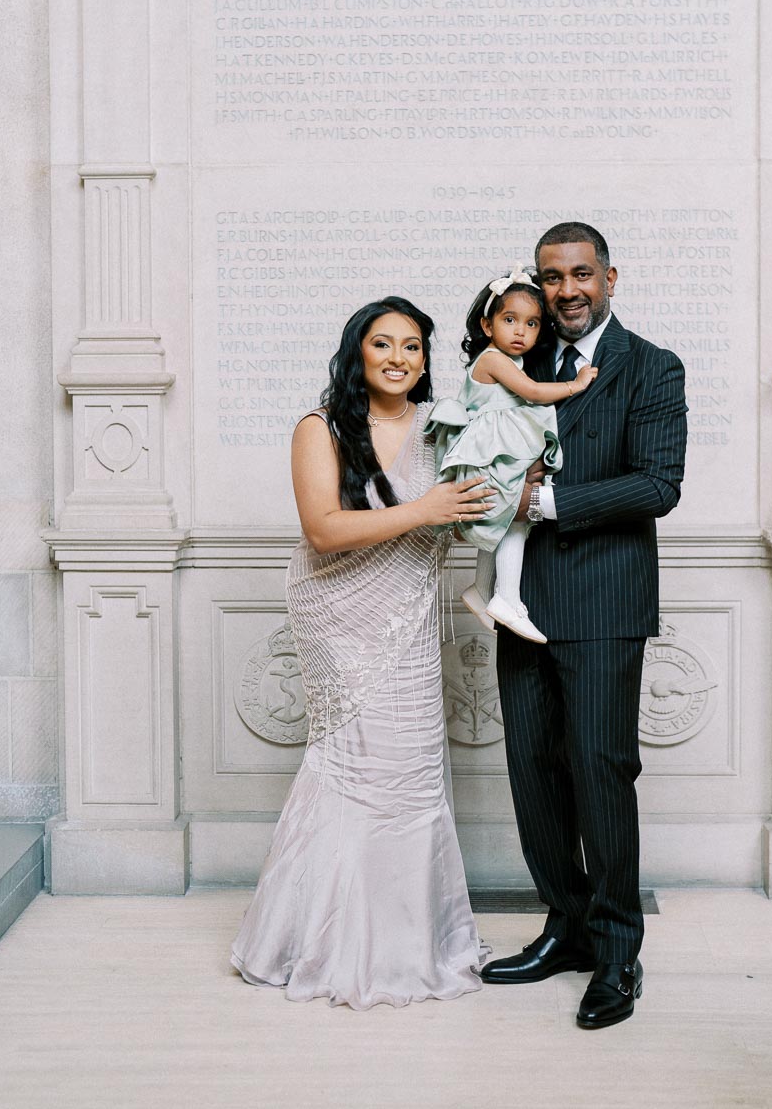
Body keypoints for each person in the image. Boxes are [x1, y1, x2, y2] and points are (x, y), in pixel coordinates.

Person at [231, 297, 493, 1010]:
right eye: (383, 344)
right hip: (338, 615)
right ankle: (318, 941)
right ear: (358, 352)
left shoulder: (443, 427)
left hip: (408, 611)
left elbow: (467, 518)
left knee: (409, 770)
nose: (399, 358)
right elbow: (321, 529)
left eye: (413, 346)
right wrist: (425, 511)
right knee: (351, 766)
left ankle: (414, 944)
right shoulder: (319, 427)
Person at [480, 224, 687, 1031]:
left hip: (604, 603)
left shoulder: (653, 366)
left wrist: (551, 503)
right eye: (551, 276)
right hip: (522, 603)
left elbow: (658, 483)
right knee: (533, 771)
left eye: (581, 274)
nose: (566, 290)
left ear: (610, 277)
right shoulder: (519, 357)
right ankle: (563, 929)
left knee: (601, 774)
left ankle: (615, 953)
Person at [428, 264, 596, 644]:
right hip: (488, 454)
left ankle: (481, 589)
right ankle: (508, 598)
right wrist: (575, 384)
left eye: (533, 324)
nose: (521, 331)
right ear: (488, 325)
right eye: (510, 320)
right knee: (515, 519)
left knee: (503, 520)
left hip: (495, 451)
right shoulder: (492, 360)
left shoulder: (506, 358)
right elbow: (534, 392)